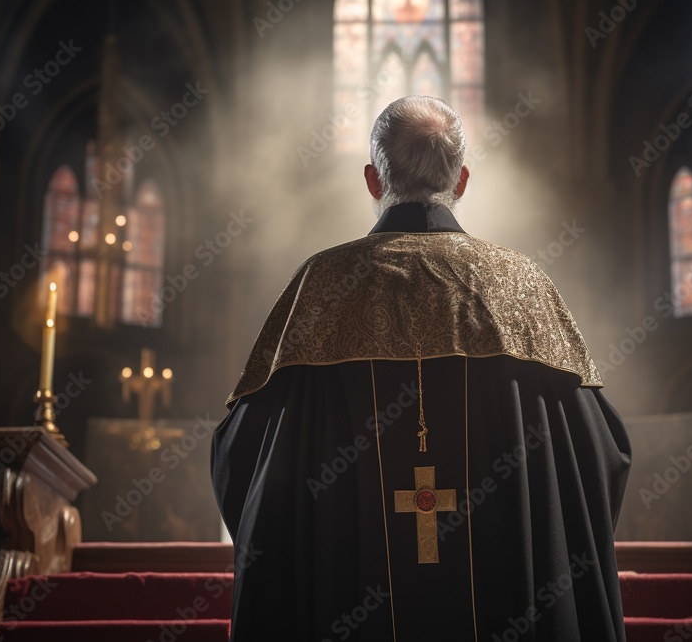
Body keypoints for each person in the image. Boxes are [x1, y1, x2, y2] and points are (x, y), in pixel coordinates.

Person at [211, 95, 631, 641]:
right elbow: (600, 453)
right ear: (460, 180)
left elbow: (242, 457)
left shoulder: (319, 286)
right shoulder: (521, 285)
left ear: (370, 179)